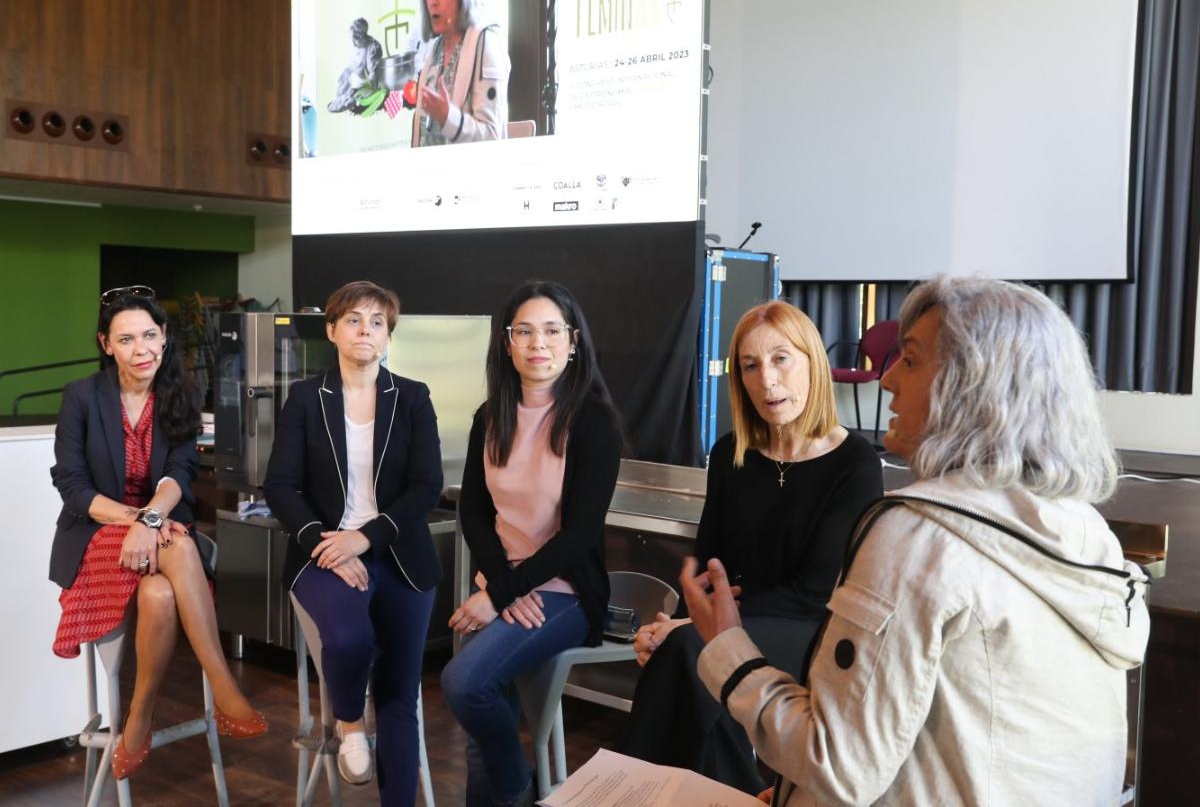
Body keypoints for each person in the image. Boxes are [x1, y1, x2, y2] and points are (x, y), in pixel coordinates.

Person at [685, 277, 1151, 806]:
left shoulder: (917, 541)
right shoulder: (1090, 535)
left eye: (908, 360)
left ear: (970, 384)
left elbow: (838, 766)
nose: (885, 382)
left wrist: (728, 651)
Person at [618, 301, 882, 793]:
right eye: (750, 366)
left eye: (781, 359)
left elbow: (813, 592)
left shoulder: (855, 463)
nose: (767, 381)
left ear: (811, 363)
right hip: (726, 626)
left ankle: (632, 791)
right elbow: (708, 564)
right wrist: (678, 620)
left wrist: (694, 627)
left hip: (813, 629)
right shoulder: (730, 452)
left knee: (691, 652)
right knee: (691, 666)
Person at [50, 286, 267, 782]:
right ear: (106, 344)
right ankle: (222, 680)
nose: (142, 348)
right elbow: (73, 486)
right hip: (97, 534)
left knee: (160, 593)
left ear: (165, 336)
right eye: (127, 339)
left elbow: (179, 470)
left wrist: (151, 521)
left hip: (159, 528)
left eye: (150, 335)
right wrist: (141, 523)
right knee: (179, 541)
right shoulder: (82, 396)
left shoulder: (180, 393)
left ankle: (140, 714)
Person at [441, 281, 623, 807]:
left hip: (565, 594)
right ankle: (510, 792)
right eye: (524, 331)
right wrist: (502, 586)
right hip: (504, 584)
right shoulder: (489, 416)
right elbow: (474, 511)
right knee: (479, 730)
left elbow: (581, 535)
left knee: (464, 684)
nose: (537, 343)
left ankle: (522, 789)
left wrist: (500, 595)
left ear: (573, 342)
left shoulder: (593, 422)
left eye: (551, 331)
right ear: (507, 343)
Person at [263, 281, 442, 804]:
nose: (366, 330)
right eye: (354, 320)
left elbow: (425, 487)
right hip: (322, 554)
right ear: (332, 330)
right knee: (348, 640)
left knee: (399, 696)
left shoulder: (412, 397)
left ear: (388, 336)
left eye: (377, 322)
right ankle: (348, 722)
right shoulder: (304, 397)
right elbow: (280, 485)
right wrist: (326, 543)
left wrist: (364, 539)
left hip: (400, 556)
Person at [411, 0, 510, 147]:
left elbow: (492, 136)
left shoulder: (486, 42)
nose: (432, 0)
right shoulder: (435, 50)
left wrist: (448, 118)